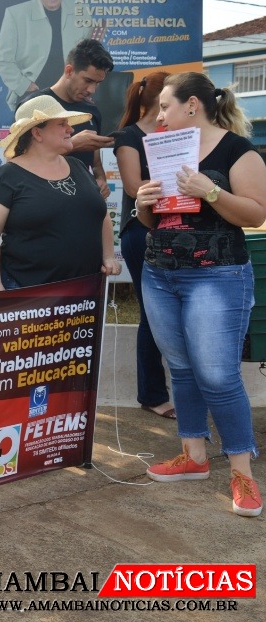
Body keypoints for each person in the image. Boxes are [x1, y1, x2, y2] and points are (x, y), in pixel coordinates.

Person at [135, 72, 266, 518]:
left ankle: (242, 472)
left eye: (165, 107)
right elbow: (157, 222)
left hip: (217, 275)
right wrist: (141, 205)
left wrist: (209, 191)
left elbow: (256, 214)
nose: (160, 117)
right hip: (160, 273)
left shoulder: (237, 150)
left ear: (193, 105)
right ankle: (192, 457)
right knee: (182, 369)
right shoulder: (168, 151)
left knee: (217, 375)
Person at [0, 94, 120, 291]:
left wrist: (108, 256)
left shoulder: (78, 166)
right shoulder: (7, 177)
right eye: (62, 123)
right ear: (37, 133)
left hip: (84, 294)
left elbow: (101, 214)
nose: (71, 129)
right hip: (26, 296)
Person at [112, 71, 174, 420]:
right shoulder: (129, 137)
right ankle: (152, 394)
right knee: (152, 313)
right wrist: (181, 181)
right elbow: (135, 187)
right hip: (141, 230)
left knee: (168, 313)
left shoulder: (180, 133)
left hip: (179, 230)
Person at [19, 38, 116, 198]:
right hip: (43, 203)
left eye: (98, 83)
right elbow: (18, 163)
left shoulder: (92, 111)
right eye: (88, 80)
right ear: (69, 71)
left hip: (84, 205)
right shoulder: (35, 105)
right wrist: (73, 145)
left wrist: (100, 180)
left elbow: (96, 163)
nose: (92, 89)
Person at [0, 0, 94, 111]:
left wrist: (84, 87)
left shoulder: (81, 10)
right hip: (32, 94)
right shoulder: (15, 14)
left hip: (70, 94)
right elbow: (2, 58)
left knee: (74, 130)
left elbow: (87, 59)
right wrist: (24, 85)